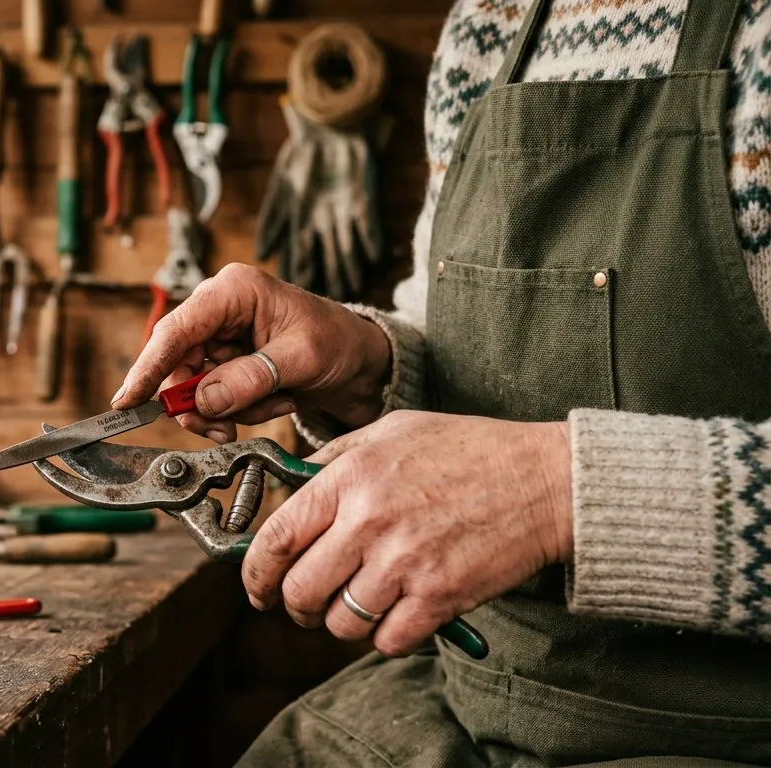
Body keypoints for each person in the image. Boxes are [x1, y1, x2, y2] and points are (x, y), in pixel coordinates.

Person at [112, 1, 771, 765]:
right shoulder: (490, 22)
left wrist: (559, 493)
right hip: (472, 688)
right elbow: (468, 345)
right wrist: (369, 367)